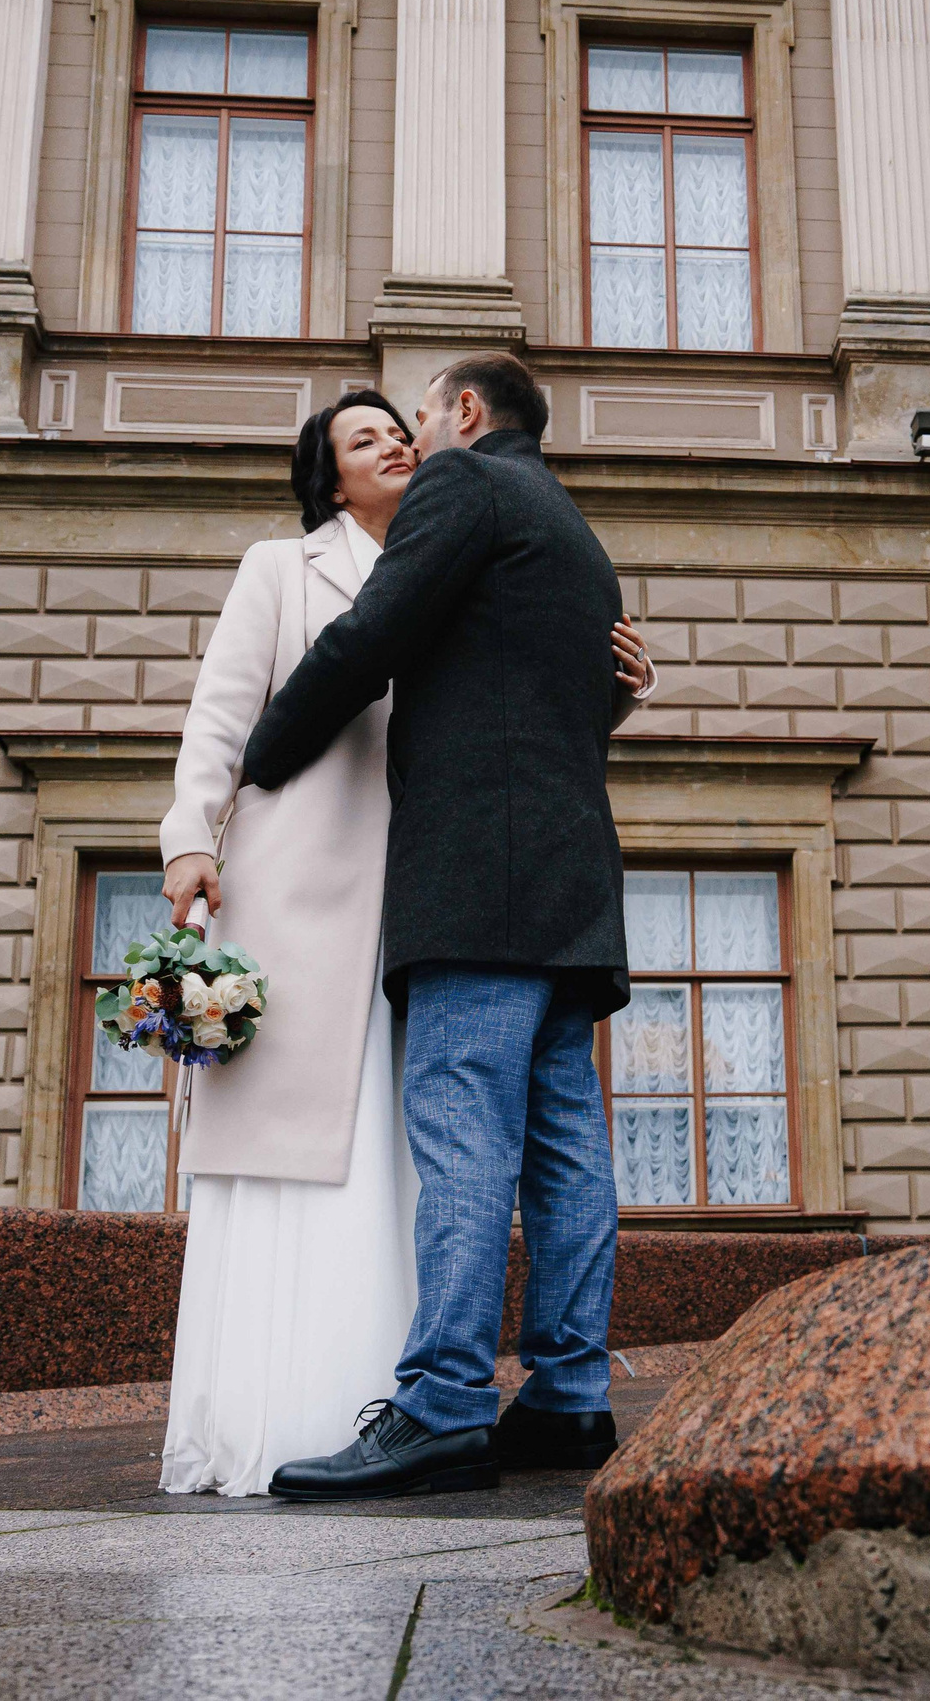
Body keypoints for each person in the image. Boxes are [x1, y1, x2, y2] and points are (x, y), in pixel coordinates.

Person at [153, 386, 654, 1497]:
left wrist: (622, 684)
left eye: (406, 423)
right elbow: (224, 710)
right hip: (388, 890)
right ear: (330, 480)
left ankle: (440, 1404)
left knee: (467, 1136)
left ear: (457, 419)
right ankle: (565, 1395)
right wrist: (204, 817)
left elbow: (382, 649)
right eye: (367, 440)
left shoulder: (466, 503)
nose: (400, 443)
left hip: (464, 887)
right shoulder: (541, 524)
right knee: (555, 1137)